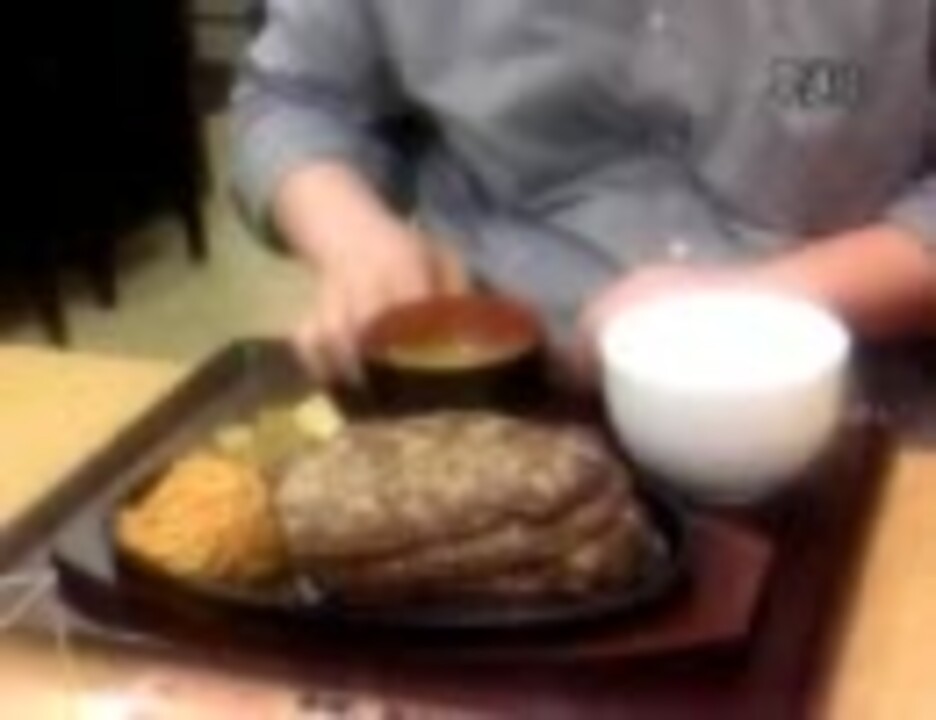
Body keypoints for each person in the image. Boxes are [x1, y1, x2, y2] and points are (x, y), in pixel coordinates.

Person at [230, 0, 936, 381]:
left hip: (856, 406)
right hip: (507, 392)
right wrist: (354, 237)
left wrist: (763, 303)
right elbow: (295, 97)